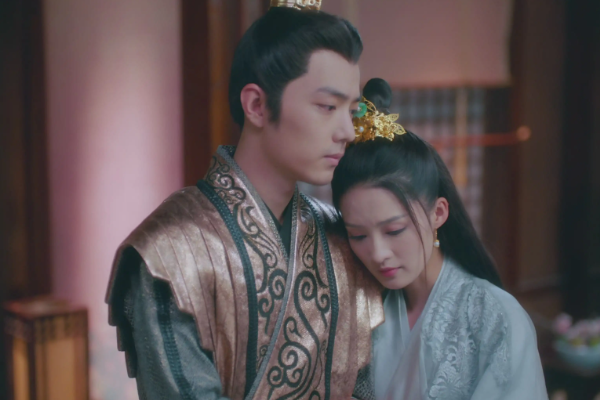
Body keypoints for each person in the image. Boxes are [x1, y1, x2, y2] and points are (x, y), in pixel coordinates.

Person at [105, 4, 384, 400]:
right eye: (327, 107)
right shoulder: (169, 253)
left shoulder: (344, 239)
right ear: (256, 105)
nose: (347, 131)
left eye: (351, 111)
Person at [331, 78, 548, 400]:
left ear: (438, 213)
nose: (377, 253)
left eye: (394, 230)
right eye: (358, 235)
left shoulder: (494, 317)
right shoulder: (361, 310)